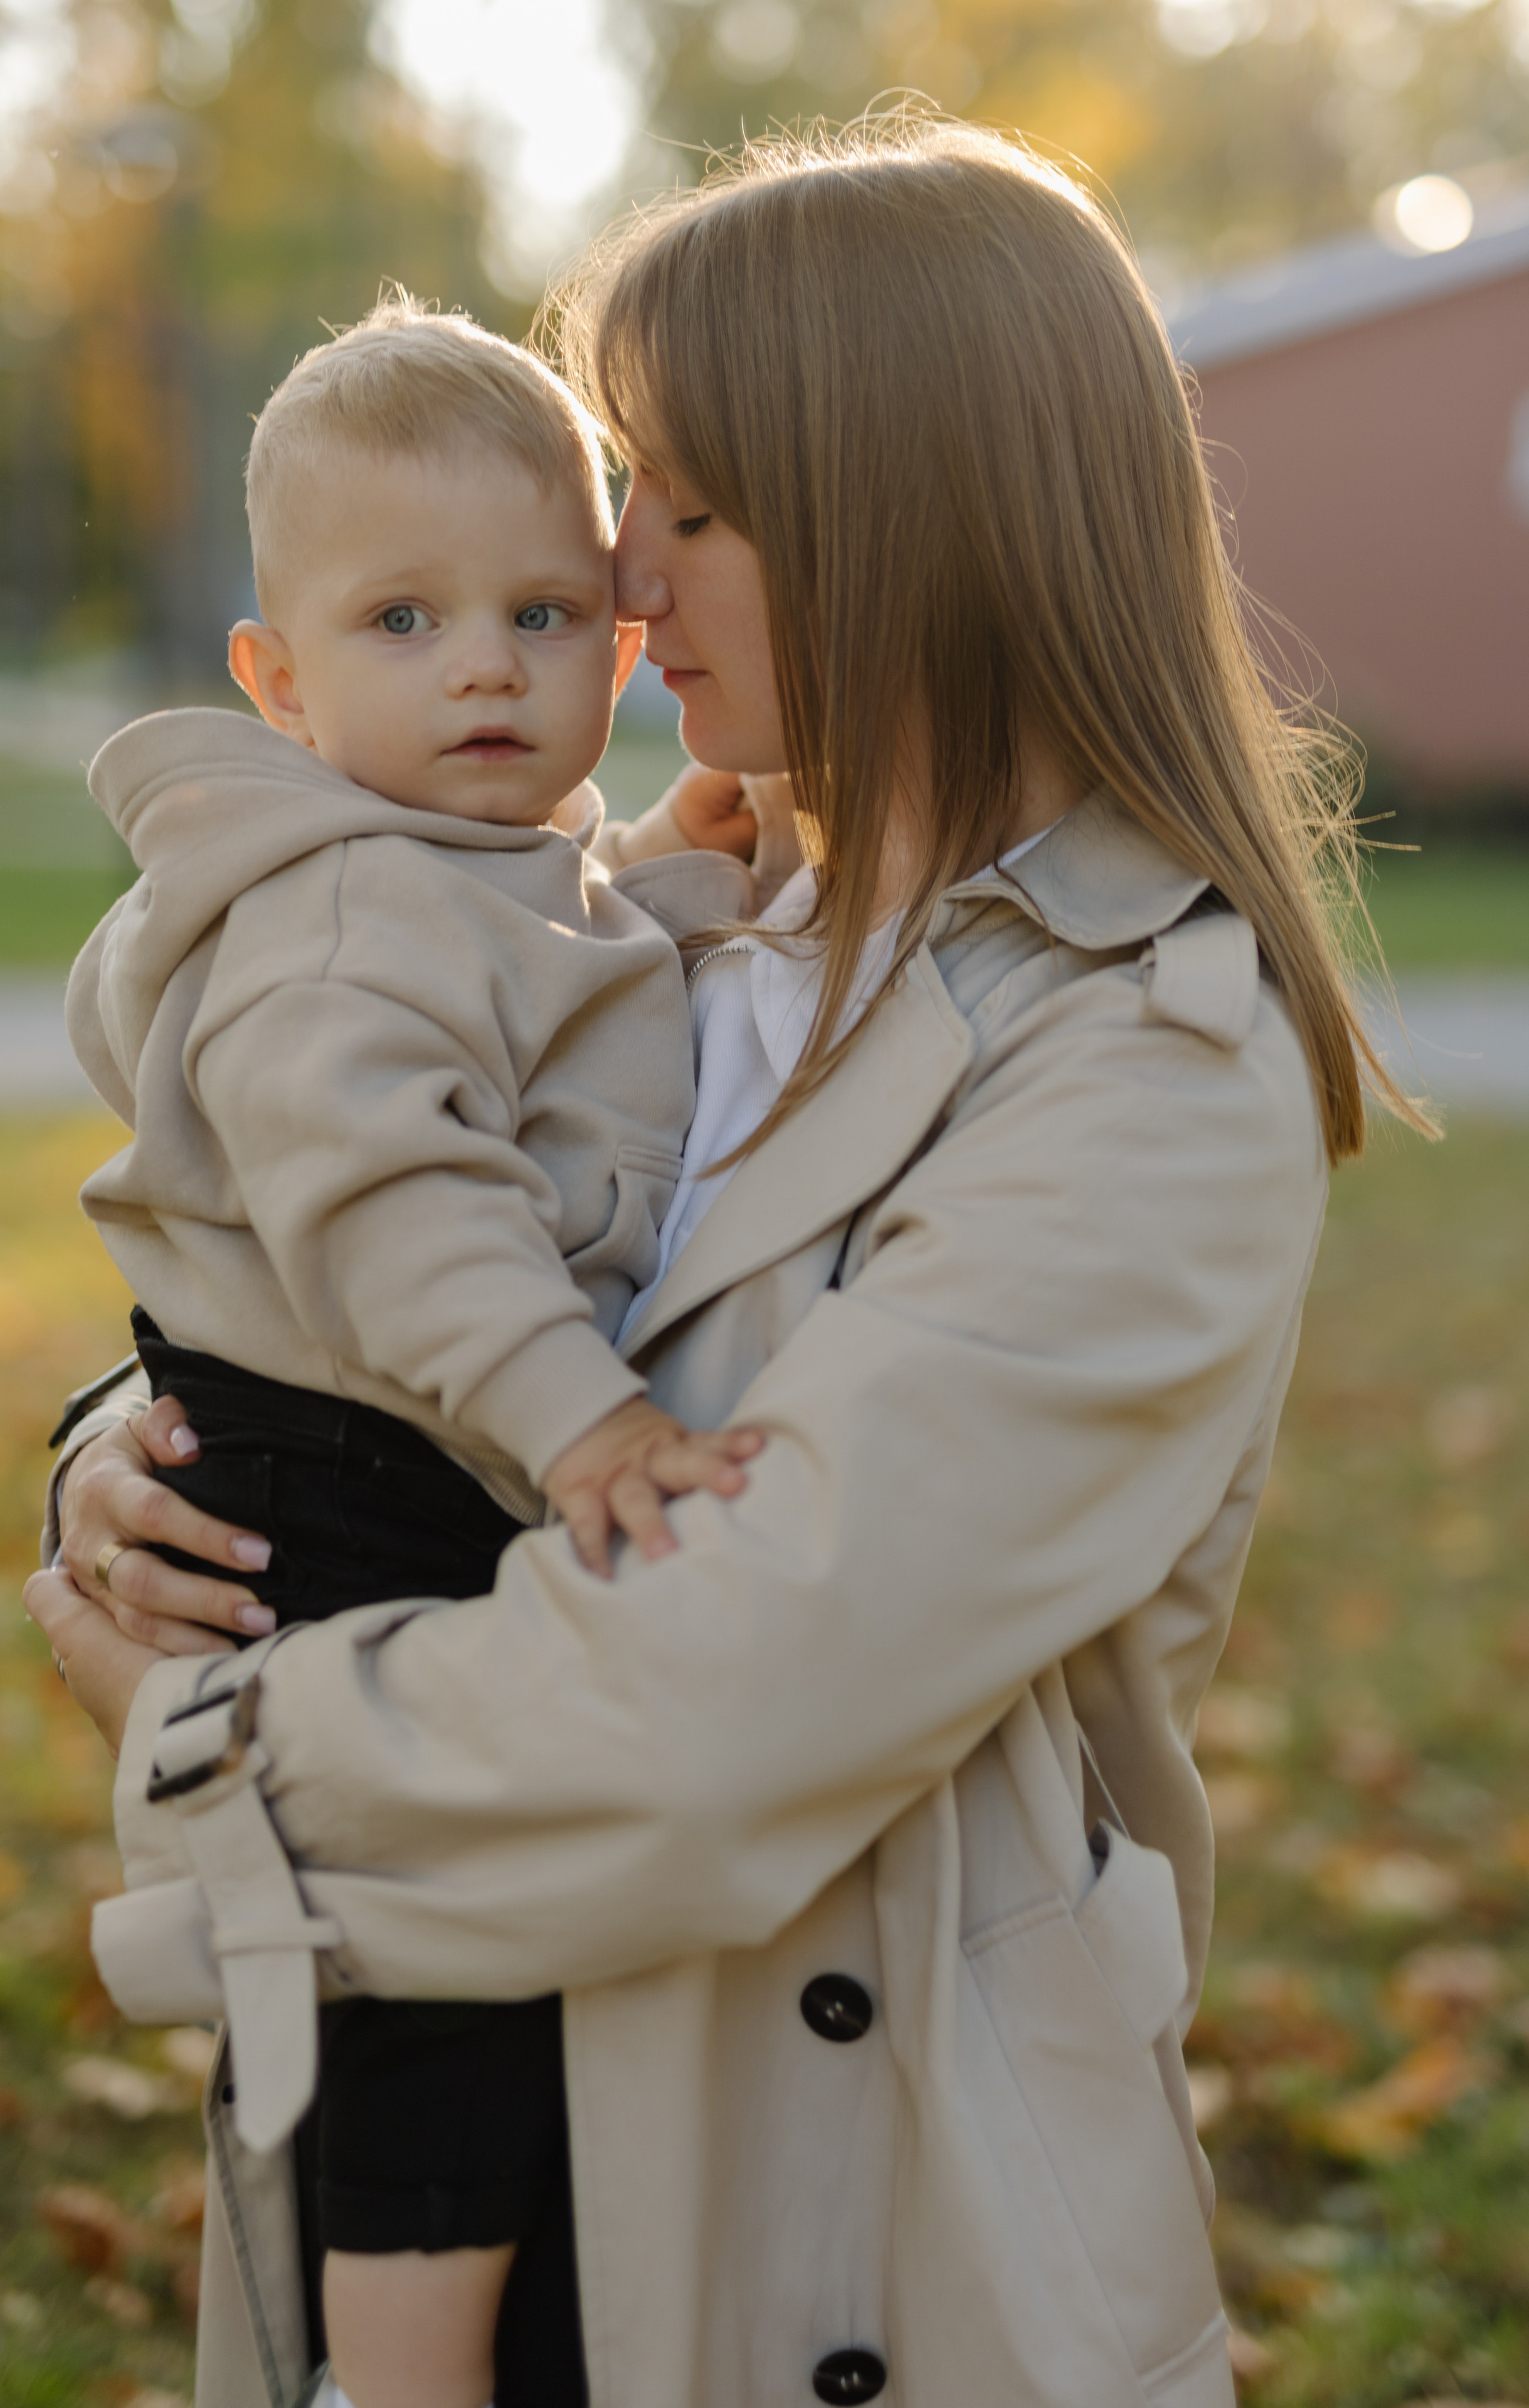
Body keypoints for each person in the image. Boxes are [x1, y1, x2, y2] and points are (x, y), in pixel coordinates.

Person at [28, 117, 1427, 2408]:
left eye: (680, 503)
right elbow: (382, 1221)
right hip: (483, 2097)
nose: (624, 580)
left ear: (897, 509)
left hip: (845, 2217)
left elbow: (711, 1713)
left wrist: (207, 1740)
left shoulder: (1148, 1062)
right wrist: (145, 1452)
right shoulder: (691, 921)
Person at [62, 296, 769, 2408]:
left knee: (448, 1932)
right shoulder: (339, 922)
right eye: (403, 620)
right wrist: (586, 1418)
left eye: (542, 611)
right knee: (427, 1953)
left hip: (365, 1439)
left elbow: (554, 992)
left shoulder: (470, 871)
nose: (485, 665)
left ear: (617, 651)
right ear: (275, 684)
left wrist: (675, 880)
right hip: (346, 1464)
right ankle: (398, 2376)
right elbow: (404, 1212)